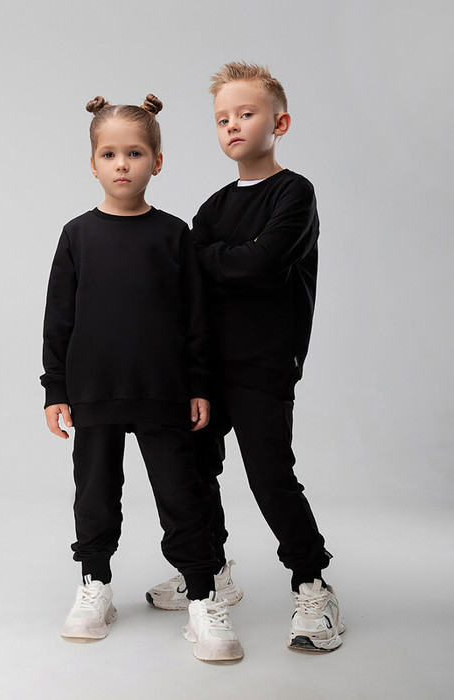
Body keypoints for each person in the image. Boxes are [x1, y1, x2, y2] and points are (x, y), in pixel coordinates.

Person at [147, 63, 345, 652]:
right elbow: (198, 277)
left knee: (270, 475)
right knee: (196, 470)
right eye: (222, 119)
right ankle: (212, 572)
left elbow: (261, 265)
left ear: (279, 124)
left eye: (246, 114)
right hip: (207, 367)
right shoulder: (213, 207)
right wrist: (230, 259)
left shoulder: (295, 193)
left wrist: (221, 258)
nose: (232, 125)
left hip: (264, 364)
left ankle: (312, 583)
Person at [40, 93, 243, 662]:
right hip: (94, 392)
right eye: (109, 154)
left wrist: (199, 384)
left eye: (134, 152)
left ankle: (202, 597)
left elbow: (196, 318)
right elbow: (59, 318)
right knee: (95, 493)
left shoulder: (174, 234)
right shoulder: (77, 235)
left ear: (157, 160)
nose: (122, 164)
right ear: (93, 164)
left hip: (164, 391)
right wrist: (55, 389)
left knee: (182, 495)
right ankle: (94, 585)